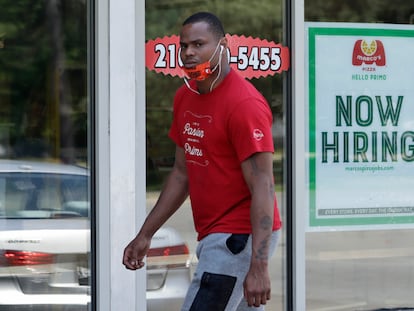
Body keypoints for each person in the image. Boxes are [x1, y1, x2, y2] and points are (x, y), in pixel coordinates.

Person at [123, 11, 282, 311]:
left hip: (238, 237)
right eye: (184, 46)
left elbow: (264, 185)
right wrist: (145, 234)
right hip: (214, 233)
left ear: (223, 46)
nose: (189, 53)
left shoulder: (244, 104)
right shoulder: (186, 97)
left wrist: (259, 266)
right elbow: (182, 173)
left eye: (198, 44)